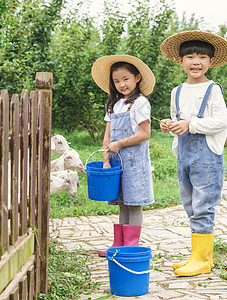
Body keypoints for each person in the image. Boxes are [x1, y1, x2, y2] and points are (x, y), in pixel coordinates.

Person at [159, 30, 227, 276]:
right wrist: (170, 125)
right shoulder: (177, 91)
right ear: (180, 61)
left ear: (210, 62)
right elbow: (176, 121)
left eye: (202, 57)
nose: (196, 62)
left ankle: (201, 260)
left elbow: (221, 122)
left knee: (203, 206)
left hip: (207, 158)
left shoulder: (212, 90)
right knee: (190, 205)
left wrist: (190, 124)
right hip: (184, 156)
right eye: (190, 56)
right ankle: (199, 255)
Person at [91, 55, 155, 257]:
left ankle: (130, 247)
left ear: (137, 78)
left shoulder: (140, 103)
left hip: (135, 163)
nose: (121, 84)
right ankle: (118, 245)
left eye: (126, 79)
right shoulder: (114, 104)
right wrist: (105, 160)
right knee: (122, 202)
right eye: (117, 81)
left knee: (134, 203)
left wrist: (120, 144)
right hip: (117, 162)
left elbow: (145, 134)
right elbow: (107, 135)